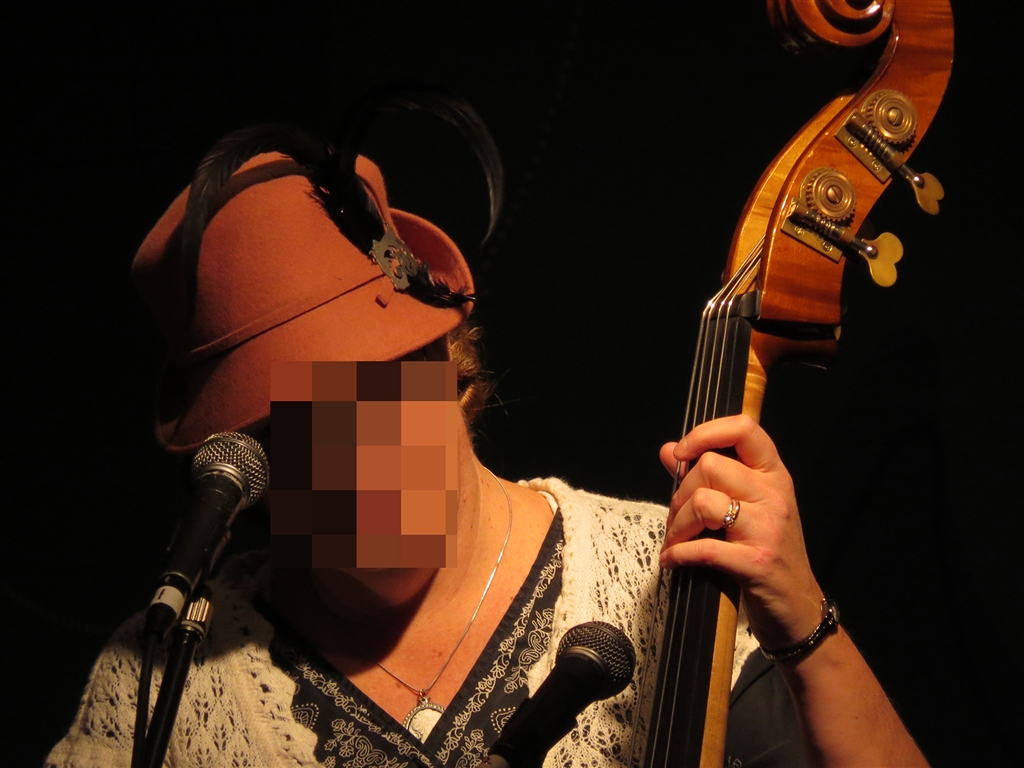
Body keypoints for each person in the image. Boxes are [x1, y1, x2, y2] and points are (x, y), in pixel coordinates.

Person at [46, 89, 926, 768]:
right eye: (290, 427)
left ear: (453, 366)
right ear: (246, 468)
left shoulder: (660, 579)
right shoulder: (160, 683)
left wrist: (806, 624)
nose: (349, 458)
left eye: (375, 390)